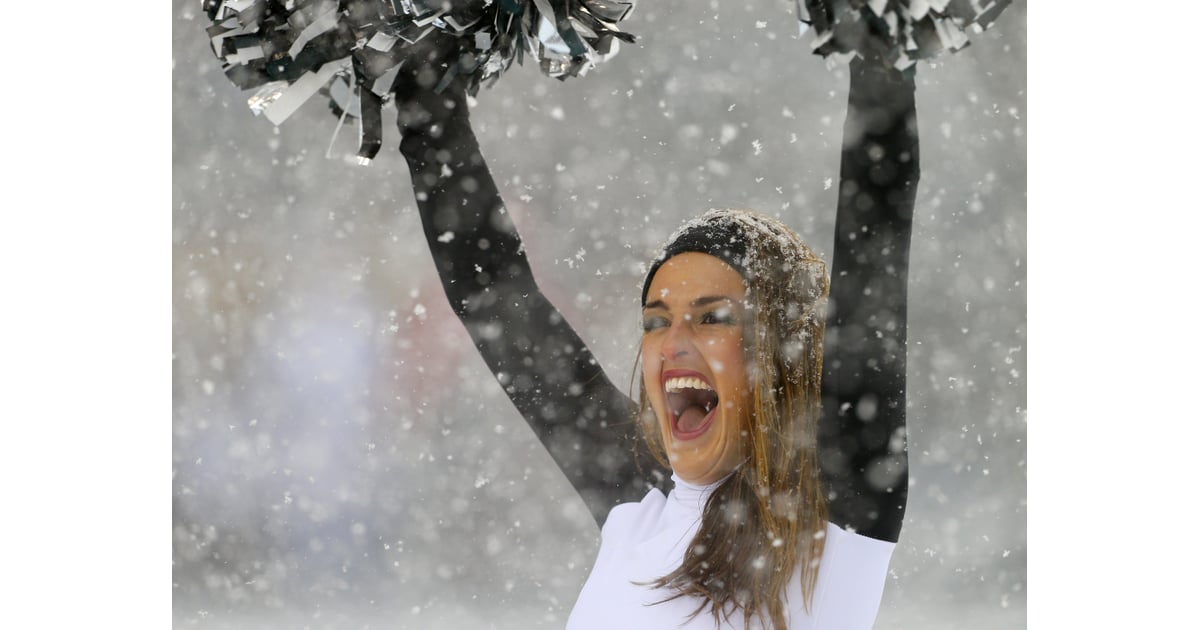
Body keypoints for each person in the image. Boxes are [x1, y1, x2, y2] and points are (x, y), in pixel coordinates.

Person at [394, 31, 917, 629]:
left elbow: (875, 233)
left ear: (781, 347)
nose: (673, 343)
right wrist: (426, 97)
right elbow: (492, 295)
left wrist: (883, 45)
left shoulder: (831, 508)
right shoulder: (641, 499)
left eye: (713, 317)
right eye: (655, 320)